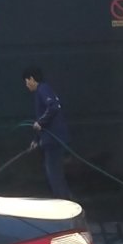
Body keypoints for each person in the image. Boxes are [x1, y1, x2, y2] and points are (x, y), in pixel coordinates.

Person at [23, 67, 72, 199]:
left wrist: (41, 122)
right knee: (55, 172)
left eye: (27, 82)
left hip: (54, 140)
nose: (27, 86)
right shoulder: (42, 91)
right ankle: (65, 199)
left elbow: (53, 107)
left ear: (32, 79)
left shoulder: (42, 89)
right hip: (50, 139)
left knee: (54, 173)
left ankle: (63, 202)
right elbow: (41, 120)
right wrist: (35, 140)